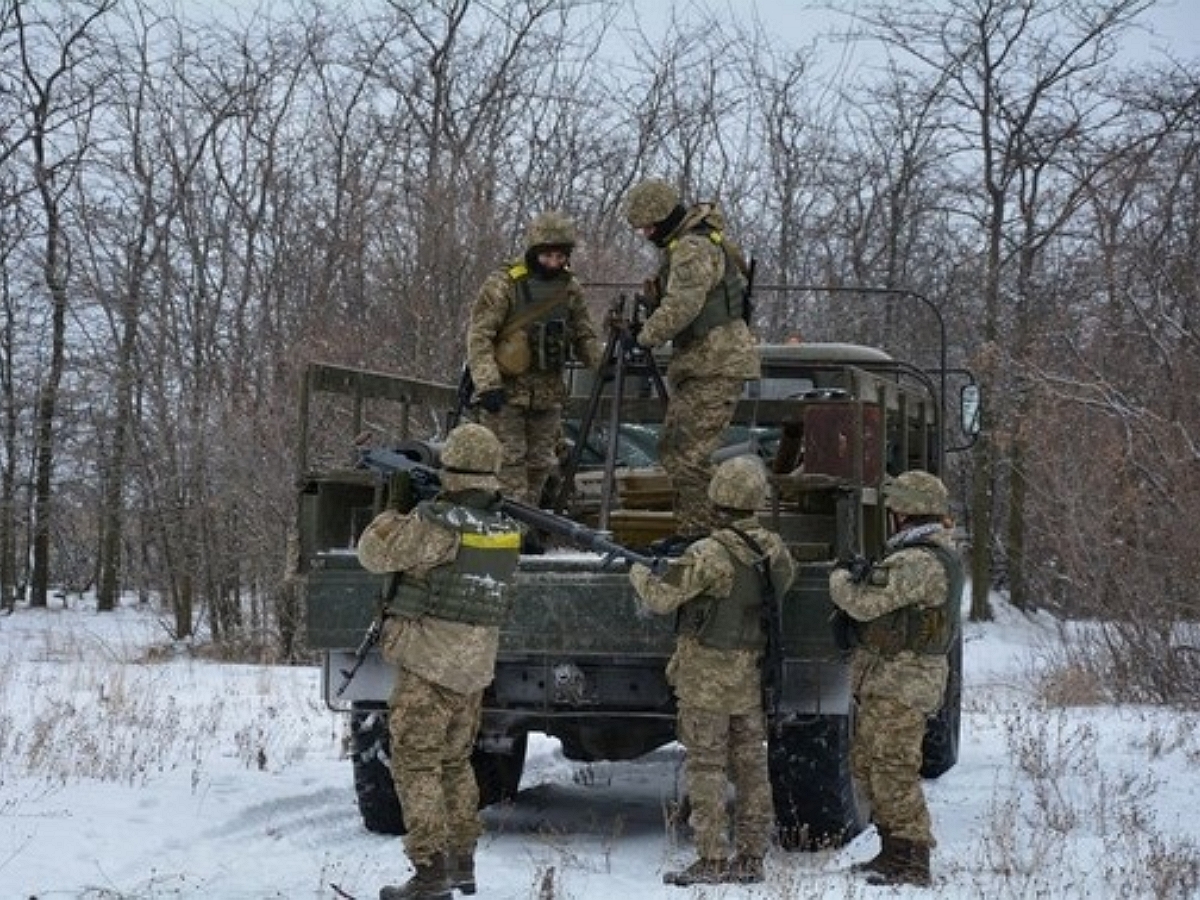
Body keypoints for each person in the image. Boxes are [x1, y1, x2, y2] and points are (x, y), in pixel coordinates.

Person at [356, 423, 523, 900]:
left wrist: (393, 506)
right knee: (455, 764)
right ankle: (462, 863)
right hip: (472, 667)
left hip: (429, 662)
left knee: (415, 766)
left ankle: (430, 875)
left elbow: (374, 553)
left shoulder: (436, 522)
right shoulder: (505, 528)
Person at [628, 455, 796, 887]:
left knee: (706, 766)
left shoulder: (709, 553)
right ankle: (752, 857)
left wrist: (639, 571)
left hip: (706, 674)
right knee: (751, 764)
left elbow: (662, 598)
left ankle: (712, 857)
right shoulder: (774, 549)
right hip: (751, 671)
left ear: (718, 496)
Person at [828, 470, 964, 888]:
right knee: (870, 763)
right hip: (891, 677)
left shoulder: (918, 560)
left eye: (894, 508)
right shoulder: (923, 553)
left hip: (904, 681)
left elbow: (864, 604)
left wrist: (839, 581)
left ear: (905, 512)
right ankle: (892, 852)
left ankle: (912, 859)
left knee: (893, 768)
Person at [623, 179, 760, 538]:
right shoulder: (693, 243)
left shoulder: (692, 247)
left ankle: (707, 538)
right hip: (702, 362)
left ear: (666, 218)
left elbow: (684, 303)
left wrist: (644, 337)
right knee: (674, 449)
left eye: (650, 227)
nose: (646, 235)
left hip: (716, 363)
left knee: (689, 456)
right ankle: (695, 533)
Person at [466, 210, 604, 510]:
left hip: (548, 392)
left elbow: (585, 334)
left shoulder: (569, 288)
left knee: (541, 464)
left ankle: (528, 522)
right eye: (547, 256)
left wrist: (603, 364)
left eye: (560, 256)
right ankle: (511, 524)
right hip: (506, 391)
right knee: (508, 461)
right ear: (534, 251)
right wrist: (488, 384)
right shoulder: (504, 284)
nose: (554, 263)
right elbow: (480, 337)